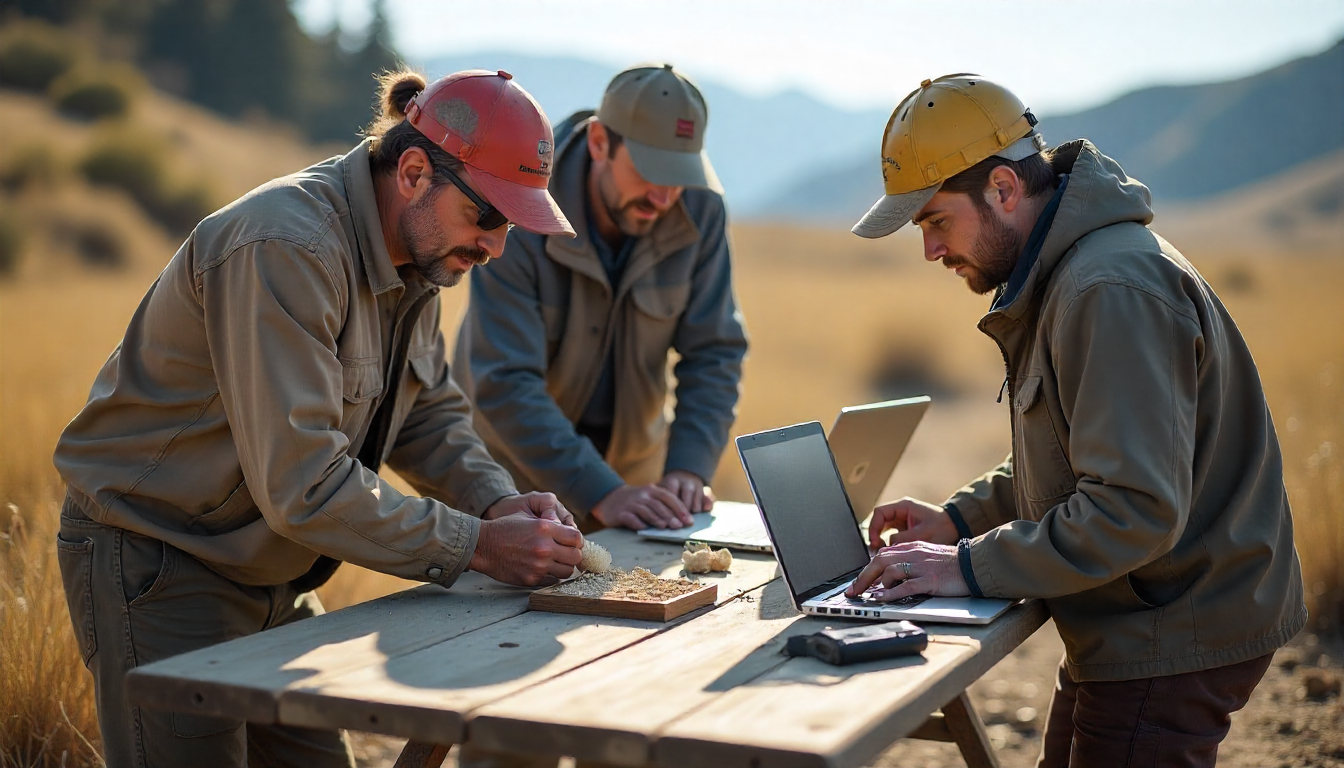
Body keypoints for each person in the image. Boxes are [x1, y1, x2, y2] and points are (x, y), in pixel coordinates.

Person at [52, 69, 587, 768]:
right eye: (487, 216)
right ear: (415, 172)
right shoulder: (286, 247)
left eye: (511, 224)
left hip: (269, 573)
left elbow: (427, 415)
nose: (496, 246)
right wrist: (479, 546)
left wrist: (499, 499)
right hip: (159, 562)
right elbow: (303, 484)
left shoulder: (422, 258)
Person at [846, 75, 1305, 767]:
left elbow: (1133, 509)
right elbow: (1073, 452)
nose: (930, 251)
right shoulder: (1068, 273)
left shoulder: (1107, 289)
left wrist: (964, 567)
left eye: (936, 220)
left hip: (1169, 630)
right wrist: (960, 521)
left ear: (1003, 188)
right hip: (1145, 621)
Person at [453, 63, 748, 533]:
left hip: (637, 488)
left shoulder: (702, 211)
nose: (664, 196)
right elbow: (504, 380)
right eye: (651, 172)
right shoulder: (523, 205)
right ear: (598, 143)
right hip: (510, 489)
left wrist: (689, 468)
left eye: (680, 175)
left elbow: (714, 351)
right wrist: (600, 491)